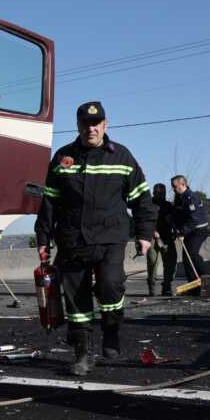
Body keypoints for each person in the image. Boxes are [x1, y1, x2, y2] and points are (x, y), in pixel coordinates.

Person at [35, 101, 155, 375]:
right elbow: (50, 203)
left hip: (110, 237)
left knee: (110, 287)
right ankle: (82, 353)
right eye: (86, 124)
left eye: (97, 123)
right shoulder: (63, 158)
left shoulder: (122, 157)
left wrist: (145, 234)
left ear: (105, 125)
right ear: (78, 126)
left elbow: (141, 199)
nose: (92, 128)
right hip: (72, 239)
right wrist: (43, 236)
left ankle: (111, 329)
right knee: (76, 299)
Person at [170, 175, 208, 283]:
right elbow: (178, 215)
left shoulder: (191, 198)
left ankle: (206, 278)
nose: (173, 189)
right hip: (189, 231)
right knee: (186, 258)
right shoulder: (179, 198)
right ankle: (193, 284)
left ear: (183, 184)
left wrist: (182, 232)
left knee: (192, 254)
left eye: (175, 186)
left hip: (198, 230)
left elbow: (194, 219)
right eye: (172, 186)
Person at [146, 182, 178, 296]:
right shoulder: (148, 205)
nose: (161, 194)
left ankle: (167, 286)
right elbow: (144, 220)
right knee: (152, 262)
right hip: (152, 237)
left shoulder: (169, 206)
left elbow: (175, 220)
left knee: (170, 262)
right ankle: (152, 286)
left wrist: (175, 228)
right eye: (158, 192)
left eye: (162, 192)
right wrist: (152, 231)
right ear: (154, 192)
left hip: (167, 237)